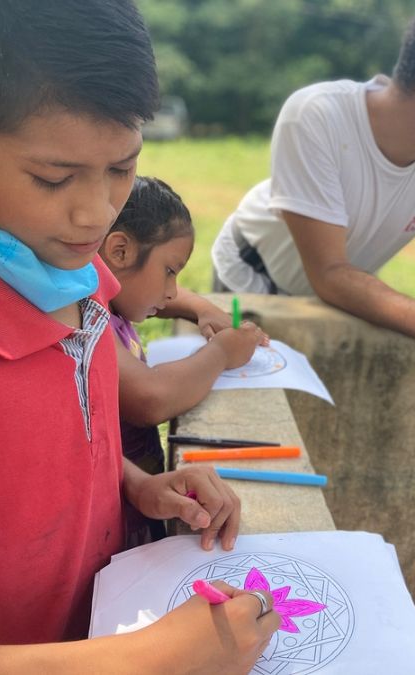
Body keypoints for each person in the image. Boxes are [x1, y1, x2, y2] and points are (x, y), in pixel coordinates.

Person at [0, 1, 279, 672]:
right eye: (53, 177)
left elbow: (53, 442)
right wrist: (137, 661)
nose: (96, 212)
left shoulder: (81, 278)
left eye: (121, 168)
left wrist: (133, 484)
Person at [211, 0, 415, 416]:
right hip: (251, 281)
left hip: (338, 292)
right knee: (244, 417)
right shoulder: (317, 117)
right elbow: (329, 272)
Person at [101, 176, 267, 545]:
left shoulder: (109, 295)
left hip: (137, 495)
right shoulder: (87, 314)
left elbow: (152, 288)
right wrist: (221, 353)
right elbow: (150, 398)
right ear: (120, 251)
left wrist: (201, 309)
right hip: (113, 516)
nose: (172, 290)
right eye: (170, 271)